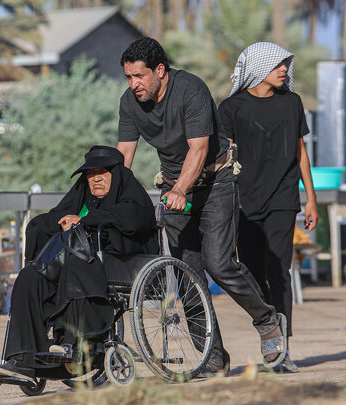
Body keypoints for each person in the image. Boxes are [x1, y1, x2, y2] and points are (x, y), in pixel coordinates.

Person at [117, 37, 287, 374]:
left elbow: (198, 149)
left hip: (216, 182)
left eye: (139, 76)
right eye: (129, 78)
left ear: (160, 71)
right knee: (186, 276)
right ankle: (213, 356)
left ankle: (266, 318)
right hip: (174, 188)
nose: (133, 84)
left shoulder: (190, 90)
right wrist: (111, 198)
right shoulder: (130, 103)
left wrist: (181, 188)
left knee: (220, 264)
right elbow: (123, 156)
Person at [0, 145, 159, 382]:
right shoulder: (83, 194)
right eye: (91, 173)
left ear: (117, 174)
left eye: (103, 172)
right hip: (83, 262)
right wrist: (51, 225)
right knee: (30, 276)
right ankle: (23, 358)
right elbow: (59, 214)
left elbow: (131, 218)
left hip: (122, 264)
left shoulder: (131, 195)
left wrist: (85, 220)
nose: (96, 178)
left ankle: (74, 343)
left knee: (76, 265)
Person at [218, 42, 319, 372]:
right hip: (244, 202)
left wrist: (311, 198)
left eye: (286, 64)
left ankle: (282, 348)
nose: (285, 70)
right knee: (250, 271)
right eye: (278, 64)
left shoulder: (292, 102)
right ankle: (269, 330)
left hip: (283, 200)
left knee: (279, 271)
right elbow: (224, 157)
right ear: (260, 66)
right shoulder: (231, 108)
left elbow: (301, 152)